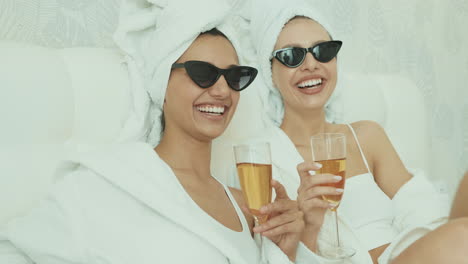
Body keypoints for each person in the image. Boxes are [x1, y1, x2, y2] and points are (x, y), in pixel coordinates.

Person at [0, 0, 310, 263]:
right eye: (203, 73)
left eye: (234, 76)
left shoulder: (248, 205)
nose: (221, 91)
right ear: (162, 82)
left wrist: (285, 250)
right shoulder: (114, 181)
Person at [232, 0, 468, 263]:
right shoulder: (262, 160)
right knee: (462, 237)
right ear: (270, 72)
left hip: (416, 250)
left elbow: (424, 212)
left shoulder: (367, 136)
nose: (311, 64)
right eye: (291, 56)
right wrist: (310, 225)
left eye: (323, 51)